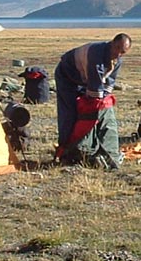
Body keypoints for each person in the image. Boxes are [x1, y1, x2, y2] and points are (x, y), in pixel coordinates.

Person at [54, 33, 132, 169]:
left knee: (92, 112)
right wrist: (96, 102)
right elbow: (95, 83)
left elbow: (109, 83)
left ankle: (89, 146)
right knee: (70, 112)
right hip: (67, 76)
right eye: (117, 48)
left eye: (123, 52)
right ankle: (65, 149)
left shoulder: (117, 61)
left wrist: (104, 100)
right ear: (112, 43)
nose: (118, 53)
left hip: (82, 80)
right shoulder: (96, 53)